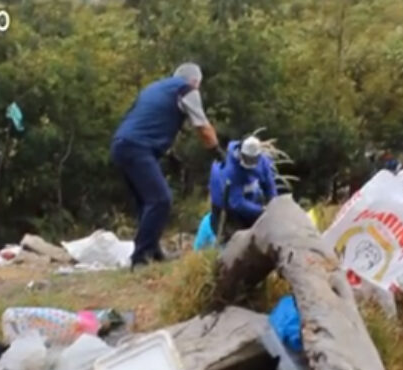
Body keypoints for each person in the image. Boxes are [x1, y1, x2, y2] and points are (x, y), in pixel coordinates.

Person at [110, 63, 222, 268]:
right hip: (138, 147)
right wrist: (218, 152)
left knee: (147, 202)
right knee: (161, 200)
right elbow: (203, 127)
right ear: (196, 81)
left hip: (121, 144)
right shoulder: (187, 90)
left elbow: (140, 118)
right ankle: (141, 258)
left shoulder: (155, 87)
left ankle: (152, 251)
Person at [210, 136, 278, 243]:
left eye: (253, 159)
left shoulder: (263, 161)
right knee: (236, 241)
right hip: (227, 206)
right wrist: (261, 211)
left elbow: (269, 185)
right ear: (241, 154)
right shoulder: (231, 170)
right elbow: (237, 203)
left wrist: (273, 205)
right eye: (247, 158)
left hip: (250, 196)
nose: (250, 162)